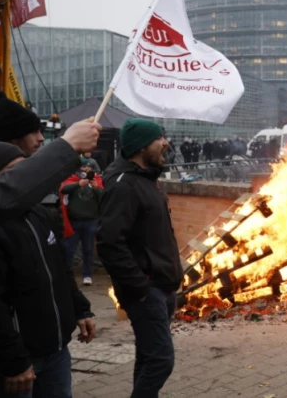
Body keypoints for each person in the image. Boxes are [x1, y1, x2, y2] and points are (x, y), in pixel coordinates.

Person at [0, 141, 96, 397]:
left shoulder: (40, 214)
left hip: (57, 351)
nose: (28, 179)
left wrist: (80, 309)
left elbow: (61, 268)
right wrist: (15, 361)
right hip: (20, 362)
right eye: (17, 172)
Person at [97, 118, 182, 397]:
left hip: (162, 287)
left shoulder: (148, 180)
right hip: (147, 291)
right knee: (161, 360)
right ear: (141, 147)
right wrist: (141, 288)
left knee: (148, 356)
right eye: (159, 138)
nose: (166, 143)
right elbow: (110, 243)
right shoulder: (124, 186)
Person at [0, 120, 101, 230]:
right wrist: (68, 145)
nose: (41, 138)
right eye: (13, 171)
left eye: (24, 166)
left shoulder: (38, 213)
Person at [60, 163, 104, 285]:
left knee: (88, 249)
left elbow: (104, 198)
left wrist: (95, 188)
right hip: (74, 221)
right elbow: (64, 189)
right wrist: (78, 184)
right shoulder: (72, 179)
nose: (85, 171)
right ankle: (67, 275)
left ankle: (87, 275)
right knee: (69, 250)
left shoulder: (97, 181)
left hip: (91, 221)